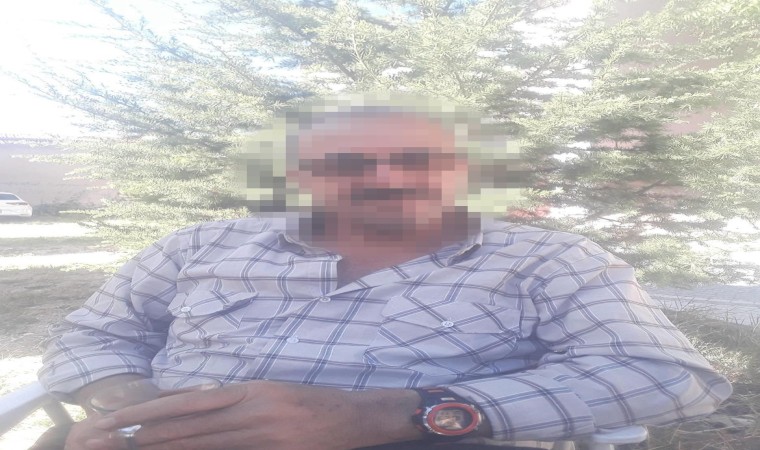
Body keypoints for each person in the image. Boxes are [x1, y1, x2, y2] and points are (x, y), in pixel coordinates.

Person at [36, 94, 731, 450]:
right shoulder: (199, 245)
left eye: (419, 160)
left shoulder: (549, 260)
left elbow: (667, 375)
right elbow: (95, 333)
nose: (388, 177)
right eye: (347, 163)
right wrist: (131, 406)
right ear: (300, 177)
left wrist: (389, 414)